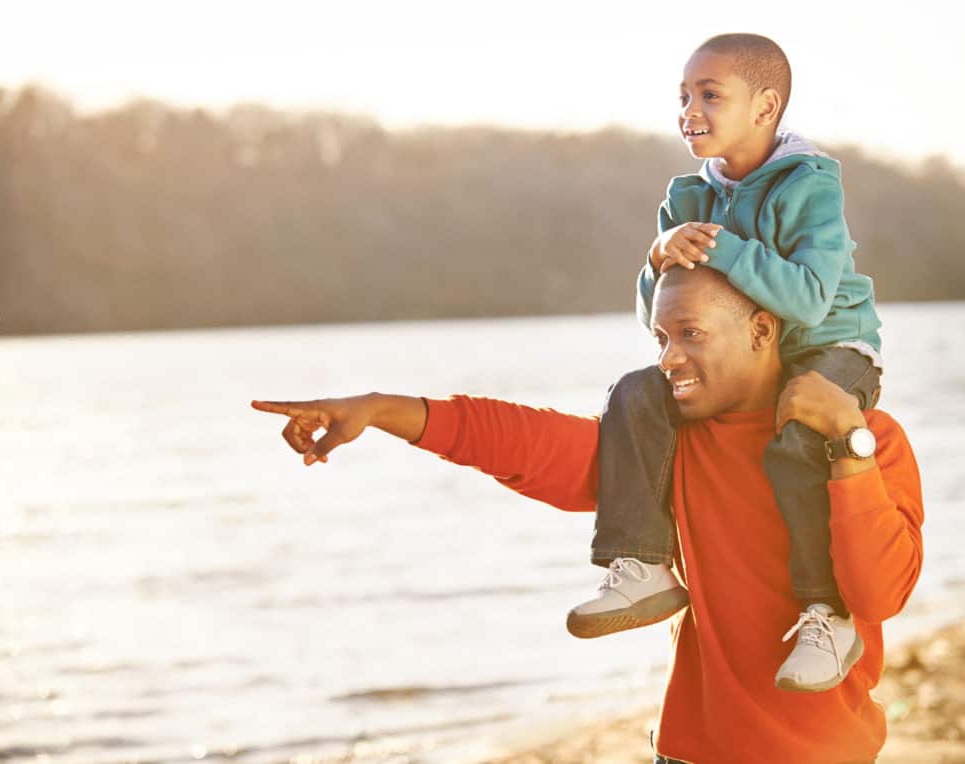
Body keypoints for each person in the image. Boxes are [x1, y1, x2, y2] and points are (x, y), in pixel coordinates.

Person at [251, 265, 922, 764]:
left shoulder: (870, 438)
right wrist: (378, 408)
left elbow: (877, 592)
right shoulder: (663, 446)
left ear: (761, 330)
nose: (669, 359)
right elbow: (521, 440)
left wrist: (847, 445)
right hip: (686, 753)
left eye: (691, 334)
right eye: (661, 336)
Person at [572, 32, 884, 694]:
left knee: (799, 436)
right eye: (683, 96)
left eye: (710, 95)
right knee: (633, 394)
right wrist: (659, 256)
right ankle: (645, 565)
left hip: (829, 350)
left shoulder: (809, 185)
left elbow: (808, 298)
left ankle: (829, 613)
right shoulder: (686, 196)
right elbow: (658, 319)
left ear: (766, 106)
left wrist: (721, 251)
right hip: (742, 363)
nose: (690, 110)